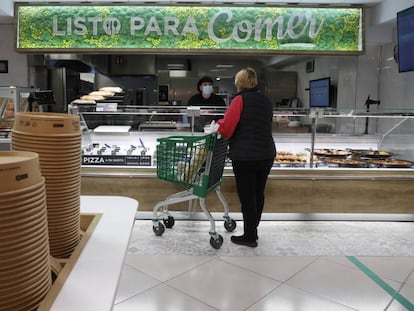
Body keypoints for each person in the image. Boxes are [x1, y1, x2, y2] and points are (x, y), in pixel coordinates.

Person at [214, 68, 276, 247]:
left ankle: (249, 236)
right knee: (258, 194)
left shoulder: (239, 100)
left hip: (245, 155)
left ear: (239, 83)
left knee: (247, 196)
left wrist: (218, 123)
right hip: (266, 153)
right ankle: (253, 230)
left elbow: (226, 129)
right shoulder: (266, 100)